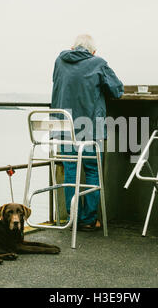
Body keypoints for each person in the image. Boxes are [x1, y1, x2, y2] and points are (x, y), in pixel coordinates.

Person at [51, 34, 123, 230]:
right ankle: (89, 221)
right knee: (92, 170)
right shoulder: (98, 63)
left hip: (63, 126)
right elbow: (117, 90)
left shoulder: (60, 60)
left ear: (72, 48)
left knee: (71, 171)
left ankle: (72, 217)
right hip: (90, 127)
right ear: (93, 52)